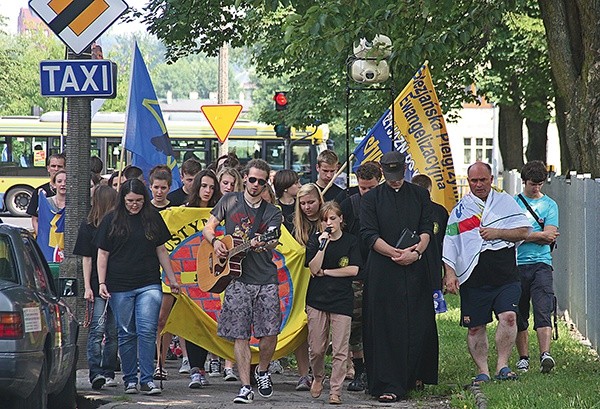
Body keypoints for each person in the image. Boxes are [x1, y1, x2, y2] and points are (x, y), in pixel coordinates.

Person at [443, 161, 531, 385]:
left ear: (492, 180)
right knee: (475, 327)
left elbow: (524, 230)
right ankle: (483, 371)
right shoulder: (460, 211)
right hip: (473, 276)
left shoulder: (505, 203)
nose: (479, 184)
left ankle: (503, 365)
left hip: (505, 273)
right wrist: (450, 273)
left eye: (483, 180)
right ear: (468, 181)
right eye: (474, 180)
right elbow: (451, 243)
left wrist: (498, 232)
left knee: (509, 318)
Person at [202, 159, 282, 404]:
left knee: (270, 333)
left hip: (265, 277)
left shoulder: (272, 212)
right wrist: (215, 242)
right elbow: (208, 227)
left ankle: (263, 370)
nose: (256, 184)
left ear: (266, 183)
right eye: (253, 179)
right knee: (240, 335)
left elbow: (273, 240)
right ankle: (246, 386)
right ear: (245, 178)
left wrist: (263, 243)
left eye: (261, 181)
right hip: (236, 278)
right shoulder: (229, 201)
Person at [360, 150, 438, 402]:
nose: (394, 180)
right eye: (389, 175)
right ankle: (387, 383)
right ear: (382, 172)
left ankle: (413, 374)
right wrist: (394, 252)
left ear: (405, 170)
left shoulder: (419, 194)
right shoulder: (372, 198)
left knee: (416, 321)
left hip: (414, 267)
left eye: (398, 174)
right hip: (384, 269)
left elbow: (427, 228)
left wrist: (416, 252)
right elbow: (368, 234)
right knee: (385, 326)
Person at [96, 179, 181, 395]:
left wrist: (172, 279)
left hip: (148, 282)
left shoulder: (152, 217)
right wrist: (102, 282)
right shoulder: (111, 220)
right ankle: (130, 379)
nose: (134, 205)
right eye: (130, 201)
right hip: (119, 284)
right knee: (126, 333)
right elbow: (102, 253)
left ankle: (147, 379)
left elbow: (161, 250)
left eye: (139, 201)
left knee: (147, 330)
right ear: (122, 200)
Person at [305, 201, 361, 405]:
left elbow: (353, 269)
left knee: (340, 348)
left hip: (341, 300)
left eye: (332, 219)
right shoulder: (315, 241)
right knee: (317, 348)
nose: (328, 223)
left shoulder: (351, 241)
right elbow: (313, 268)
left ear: (341, 220)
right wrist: (323, 245)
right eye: (324, 220)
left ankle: (335, 390)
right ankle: (318, 376)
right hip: (317, 300)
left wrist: (327, 272)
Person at [514, 161, 560, 373]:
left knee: (543, 308)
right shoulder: (514, 204)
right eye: (533, 184)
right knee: (518, 311)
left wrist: (525, 235)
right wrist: (538, 235)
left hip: (542, 263)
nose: (536, 188)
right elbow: (511, 236)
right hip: (517, 263)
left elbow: (550, 235)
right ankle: (523, 357)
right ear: (524, 181)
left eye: (540, 184)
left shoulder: (550, 205)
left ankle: (545, 354)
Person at [339, 161, 381, 392]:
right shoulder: (348, 205)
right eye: (363, 188)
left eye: (371, 188)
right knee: (355, 326)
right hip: (356, 274)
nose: (366, 193)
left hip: (382, 273)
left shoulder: (387, 203)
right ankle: (360, 370)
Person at [73, 186, 119, 390]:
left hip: (117, 283)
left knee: (114, 331)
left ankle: (108, 370)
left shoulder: (118, 225)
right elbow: (87, 259)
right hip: (98, 284)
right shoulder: (88, 226)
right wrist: (87, 287)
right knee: (98, 329)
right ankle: (96, 372)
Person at [411, 174, 450, 312]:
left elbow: (447, 245)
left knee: (430, 312)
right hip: (408, 269)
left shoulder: (439, 212)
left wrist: (447, 273)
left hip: (432, 270)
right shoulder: (405, 211)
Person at [27, 152, 66, 236]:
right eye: (53, 166)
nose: (56, 169)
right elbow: (35, 219)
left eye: (59, 166)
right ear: (48, 168)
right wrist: (41, 238)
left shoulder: (71, 192)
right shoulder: (39, 192)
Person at [273, 169, 301, 233]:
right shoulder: (275, 208)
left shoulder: (301, 204)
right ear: (285, 187)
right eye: (296, 183)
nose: (300, 186)